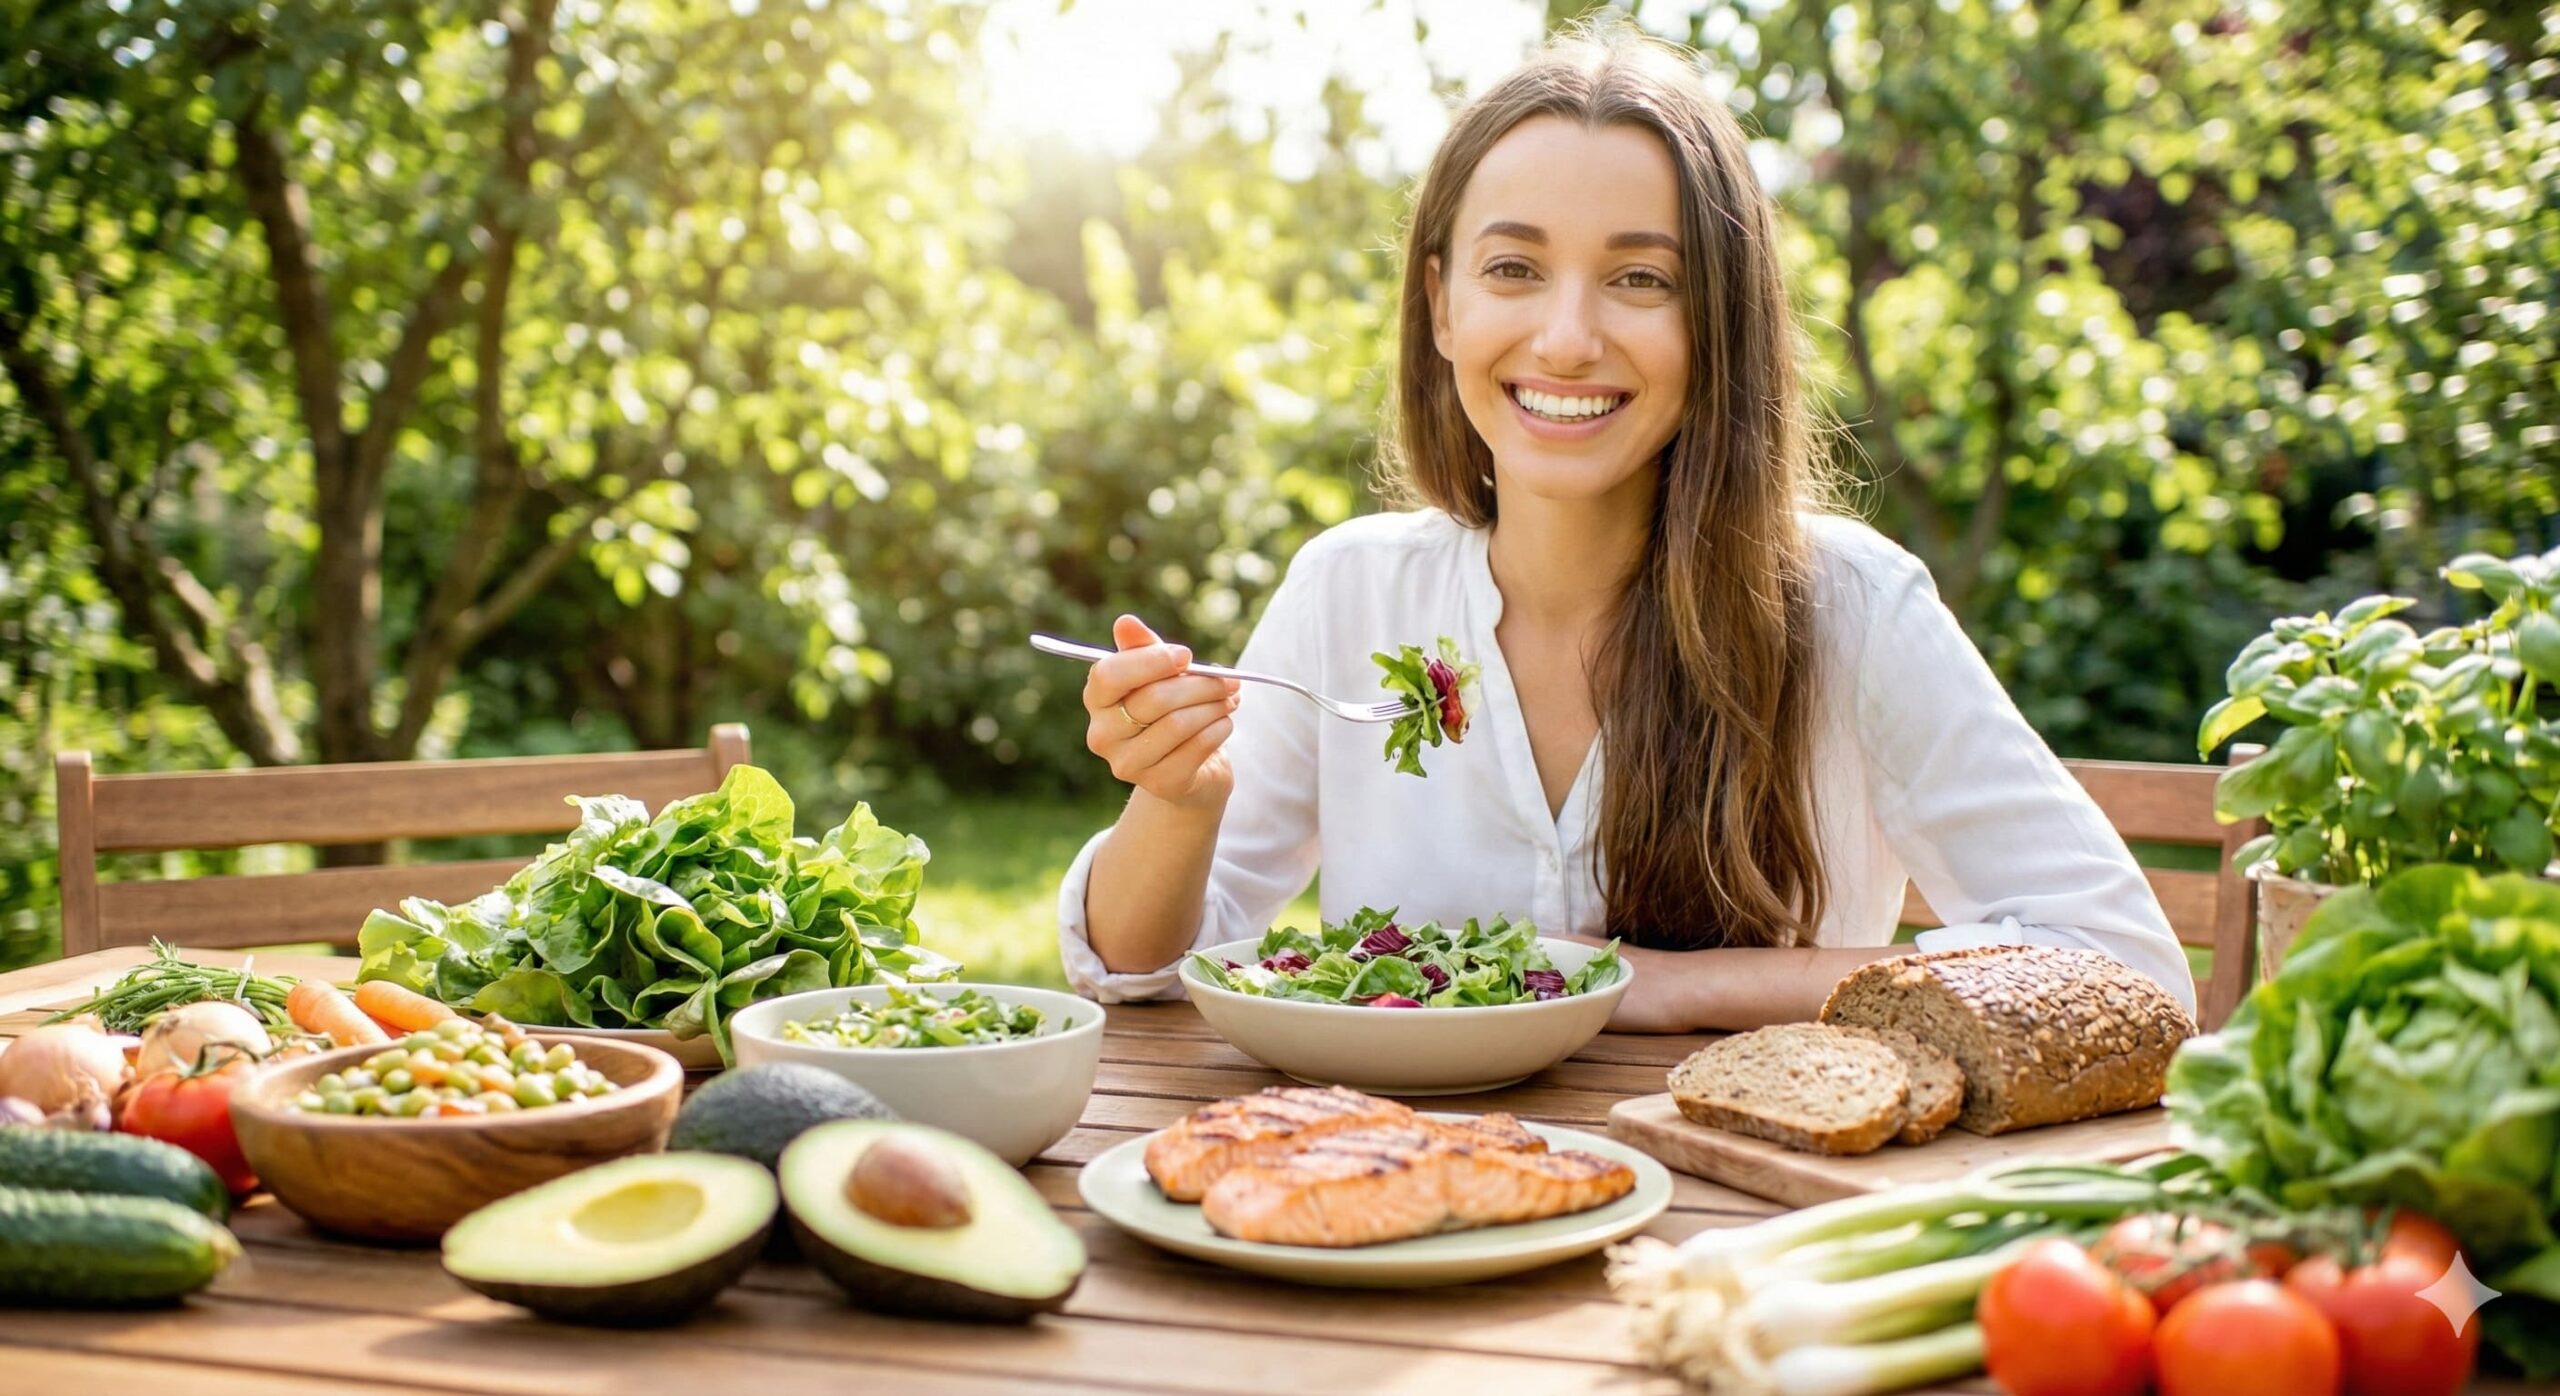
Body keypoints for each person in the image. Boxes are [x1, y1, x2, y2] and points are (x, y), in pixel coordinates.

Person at [1052, 22, 2192, 1032]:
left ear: (1718, 324)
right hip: (1395, 1204)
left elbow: (2126, 966)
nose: (1564, 337)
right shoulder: (1350, 593)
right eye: (1513, 267)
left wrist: (1673, 985)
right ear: (1441, 304)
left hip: (1744, 1224)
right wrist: (1179, 797)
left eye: (1640, 280)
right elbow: (1138, 974)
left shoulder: (1850, 605)